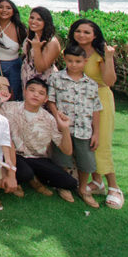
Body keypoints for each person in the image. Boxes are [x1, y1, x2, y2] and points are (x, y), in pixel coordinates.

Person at [67, 18, 123, 209]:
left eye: (86, 32)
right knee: (86, 141)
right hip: (79, 99)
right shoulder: (74, 52)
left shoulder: (100, 54)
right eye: (78, 31)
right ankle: (97, 182)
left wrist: (109, 57)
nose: (81, 35)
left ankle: (114, 187)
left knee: (101, 143)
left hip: (99, 99)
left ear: (95, 35)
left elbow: (109, 81)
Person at [0, 78, 78, 203]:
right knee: (25, 173)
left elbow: (67, 151)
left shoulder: (49, 119)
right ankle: (26, 178)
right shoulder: (8, 108)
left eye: (41, 93)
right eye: (32, 90)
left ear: (46, 99)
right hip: (15, 155)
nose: (36, 95)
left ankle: (34, 178)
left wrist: (65, 128)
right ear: (24, 91)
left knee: (70, 183)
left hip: (37, 158)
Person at [47, 44, 103, 209]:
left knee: (85, 160)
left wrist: (96, 133)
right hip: (64, 127)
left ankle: (82, 188)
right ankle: (64, 185)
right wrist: (57, 118)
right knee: (62, 158)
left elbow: (96, 110)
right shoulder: (56, 78)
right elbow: (51, 101)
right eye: (70, 61)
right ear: (64, 59)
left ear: (85, 61)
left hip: (84, 129)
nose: (73, 64)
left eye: (78, 61)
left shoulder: (91, 84)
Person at [22, 7, 59, 93]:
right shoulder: (31, 35)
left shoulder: (52, 42)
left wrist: (36, 48)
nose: (33, 21)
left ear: (46, 22)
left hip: (42, 80)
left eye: (39, 19)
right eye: (32, 18)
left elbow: (40, 68)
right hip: (27, 76)